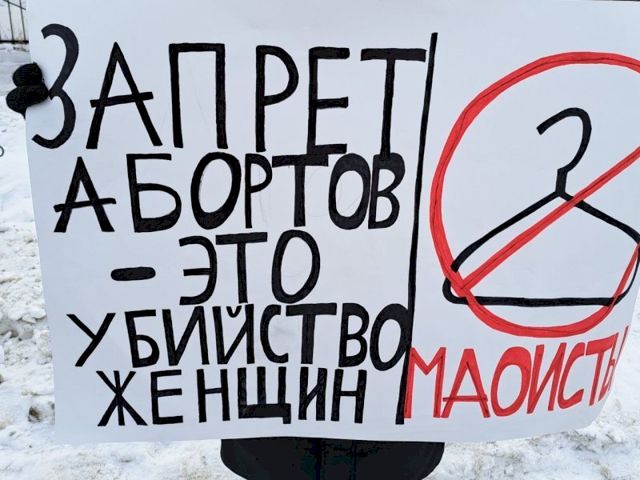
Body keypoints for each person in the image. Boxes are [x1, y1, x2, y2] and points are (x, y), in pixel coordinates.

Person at [7, 63, 445, 480]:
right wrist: (74, 113)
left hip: (388, 420)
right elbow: (158, 160)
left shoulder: (429, 54)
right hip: (269, 425)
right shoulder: (228, 63)